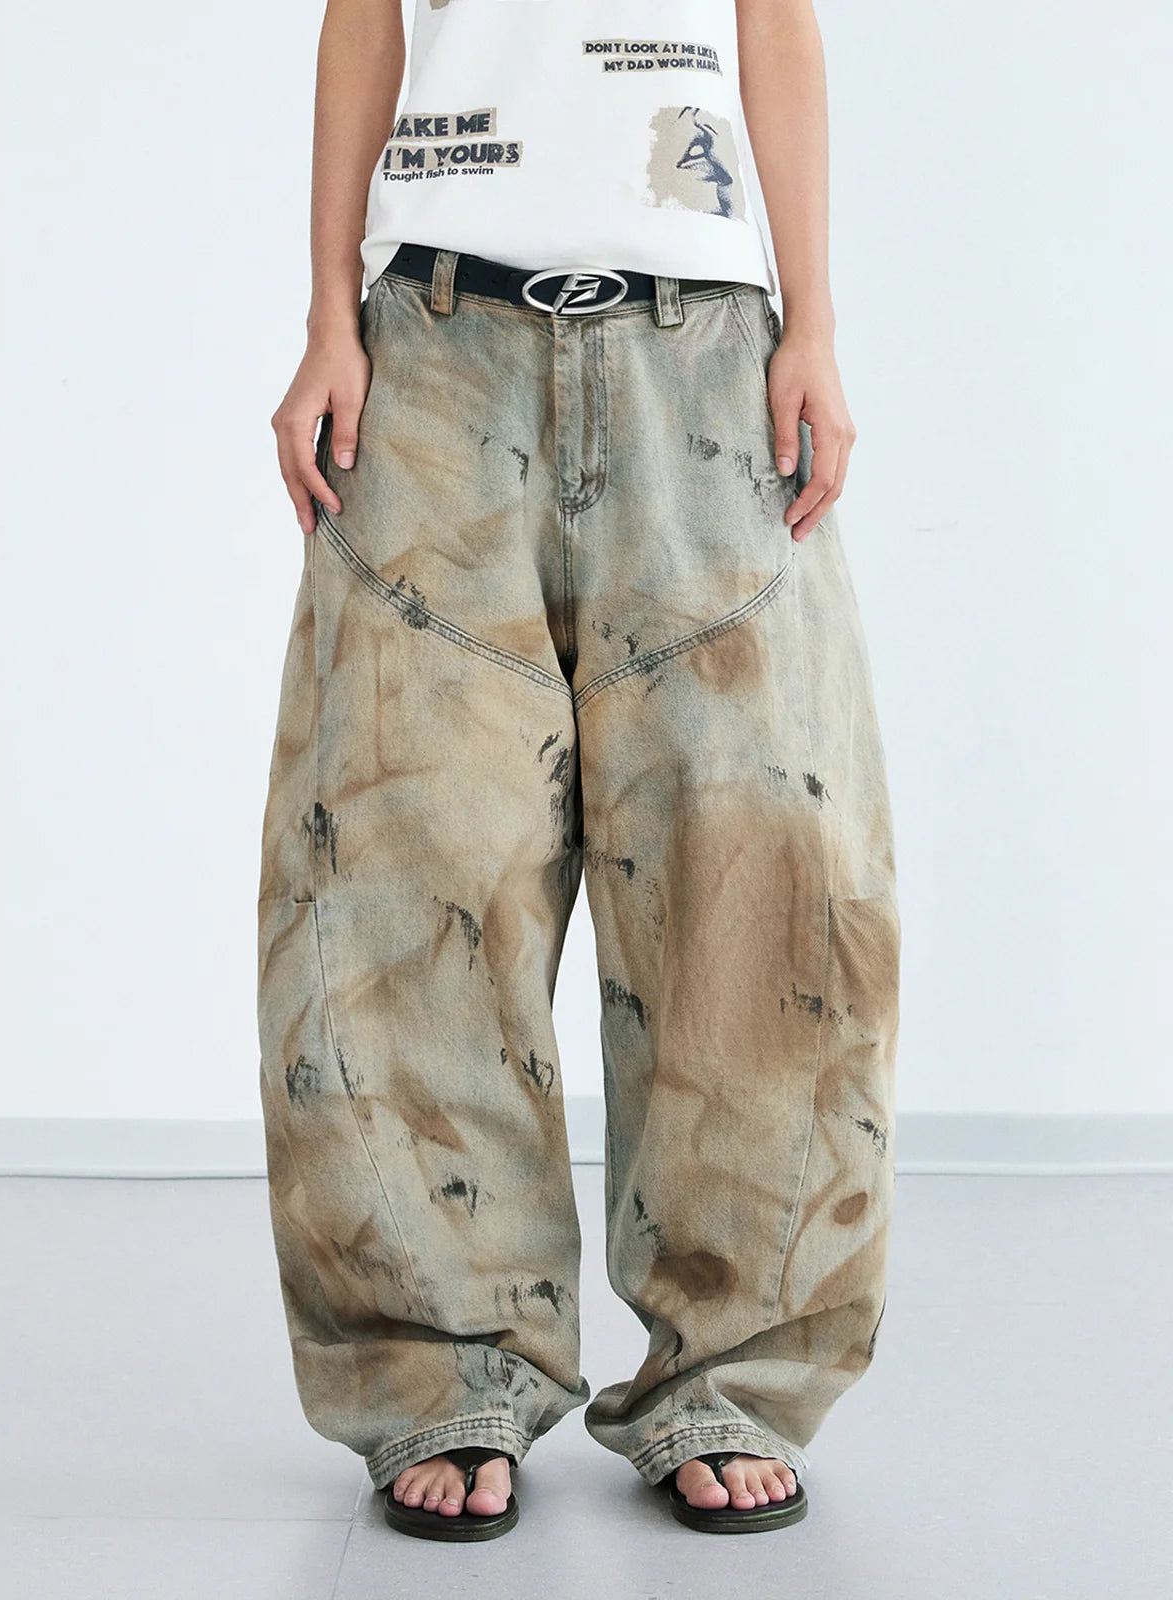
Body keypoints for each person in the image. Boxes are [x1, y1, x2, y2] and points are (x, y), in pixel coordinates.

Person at [259, 0, 900, 1542]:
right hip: (436, 346)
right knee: (402, 868)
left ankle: (731, 1377)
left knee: (757, 865)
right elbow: (361, 21)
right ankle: (441, 1368)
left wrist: (811, 320)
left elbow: (777, 23)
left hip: (705, 350)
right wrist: (329, 318)